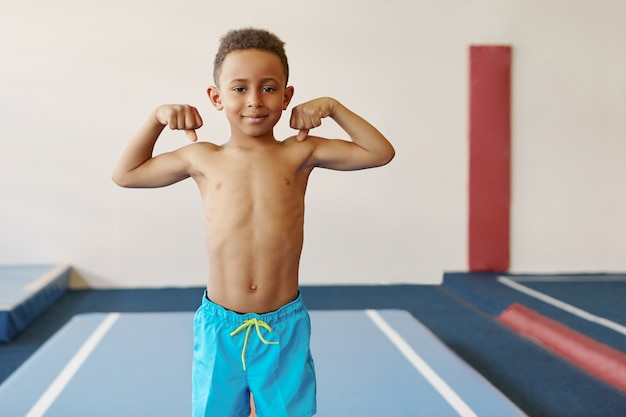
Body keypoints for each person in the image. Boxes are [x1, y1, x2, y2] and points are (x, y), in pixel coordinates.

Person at [112, 28, 394, 417]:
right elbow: (125, 174)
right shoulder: (201, 157)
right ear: (216, 97)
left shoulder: (300, 152)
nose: (255, 101)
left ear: (287, 96)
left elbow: (380, 152)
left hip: (282, 326)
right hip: (219, 327)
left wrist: (332, 107)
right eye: (239, 89)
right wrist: (157, 119)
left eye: (268, 88)